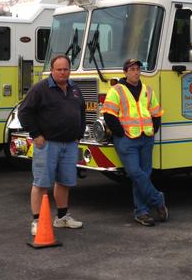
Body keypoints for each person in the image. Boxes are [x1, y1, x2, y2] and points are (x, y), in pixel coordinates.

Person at [17, 53, 86, 236]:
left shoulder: (74, 89)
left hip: (70, 144)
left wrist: (79, 134)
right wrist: (36, 135)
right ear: (52, 70)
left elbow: (82, 110)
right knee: (41, 183)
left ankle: (62, 218)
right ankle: (37, 221)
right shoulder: (40, 89)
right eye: (59, 69)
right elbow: (24, 112)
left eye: (66, 69)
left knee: (65, 182)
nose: (63, 73)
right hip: (48, 144)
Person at [101, 58, 167, 226]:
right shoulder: (116, 90)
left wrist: (153, 130)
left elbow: (156, 113)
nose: (136, 72)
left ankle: (142, 212)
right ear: (125, 72)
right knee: (135, 173)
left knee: (144, 175)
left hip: (146, 138)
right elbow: (109, 114)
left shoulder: (147, 90)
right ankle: (158, 200)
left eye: (137, 69)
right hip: (126, 140)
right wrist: (120, 133)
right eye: (132, 69)